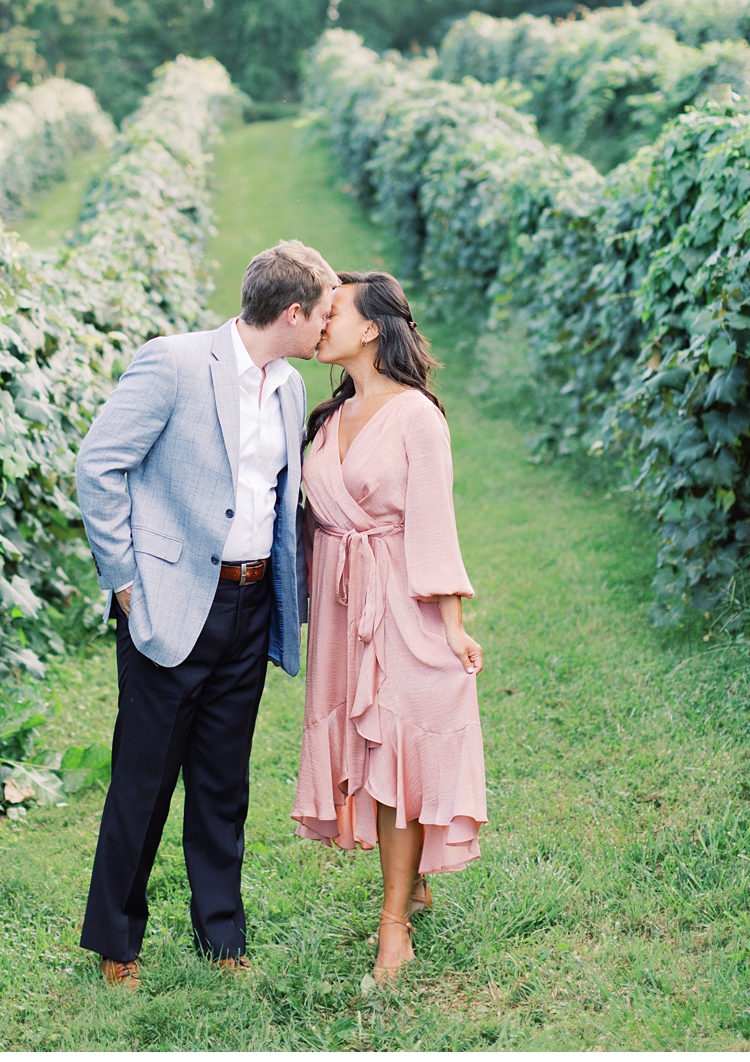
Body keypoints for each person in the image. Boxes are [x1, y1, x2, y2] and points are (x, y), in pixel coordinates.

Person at [75, 240, 338, 986]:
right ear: (291, 313)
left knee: (224, 783)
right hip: (171, 605)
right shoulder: (176, 363)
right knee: (144, 780)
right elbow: (99, 465)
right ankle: (117, 945)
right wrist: (125, 582)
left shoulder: (288, 387)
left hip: (251, 604)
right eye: (321, 316)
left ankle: (223, 939)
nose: (327, 330)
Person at [291, 271, 487, 984]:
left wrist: (452, 627)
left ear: (371, 328)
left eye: (333, 312)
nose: (319, 322)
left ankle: (394, 922)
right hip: (344, 610)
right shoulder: (321, 419)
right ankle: (414, 880)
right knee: (366, 752)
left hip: (401, 602)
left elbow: (435, 524)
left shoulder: (416, 417)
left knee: (398, 749)